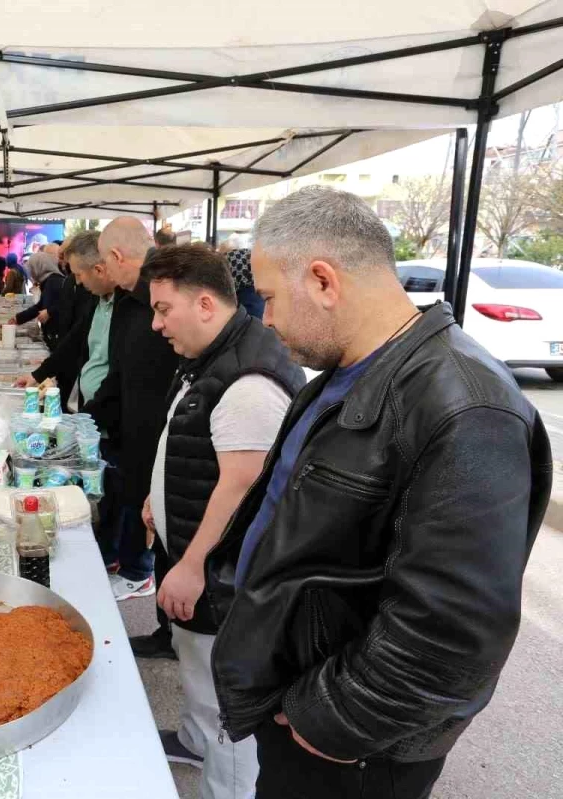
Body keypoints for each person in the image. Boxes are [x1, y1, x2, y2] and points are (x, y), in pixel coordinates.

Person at [207, 187, 552, 799]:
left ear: (322, 280)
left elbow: (453, 630)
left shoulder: (467, 405)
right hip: (304, 700)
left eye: (269, 297)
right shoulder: (351, 373)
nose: (266, 319)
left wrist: (327, 719)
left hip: (352, 747)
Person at [141, 244, 305, 798]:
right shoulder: (214, 355)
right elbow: (195, 446)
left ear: (206, 304)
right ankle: (191, 738)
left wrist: (192, 564)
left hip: (223, 579)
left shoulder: (248, 381)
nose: (157, 324)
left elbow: (241, 486)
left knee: (223, 710)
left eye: (164, 310)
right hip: (200, 562)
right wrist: (155, 498)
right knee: (196, 677)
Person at [87, 218, 181, 607]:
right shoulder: (128, 300)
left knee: (155, 513)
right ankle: (139, 574)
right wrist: (90, 417)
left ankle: (141, 574)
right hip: (131, 423)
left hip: (162, 428)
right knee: (132, 500)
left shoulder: (169, 287)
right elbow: (120, 370)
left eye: (103, 264)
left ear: (115, 256)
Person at [13, 231, 107, 412]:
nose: (78, 281)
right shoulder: (96, 297)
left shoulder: (101, 296)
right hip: (84, 400)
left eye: (79, 274)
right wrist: (39, 374)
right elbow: (75, 336)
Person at [14, 251, 66, 347]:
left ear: (38, 267)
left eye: (32, 269)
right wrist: (18, 318)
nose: (31, 273)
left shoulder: (53, 281)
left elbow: (65, 304)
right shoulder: (48, 281)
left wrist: (49, 312)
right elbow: (40, 306)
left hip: (56, 335)